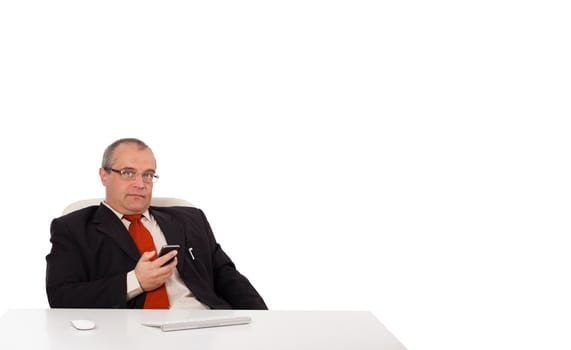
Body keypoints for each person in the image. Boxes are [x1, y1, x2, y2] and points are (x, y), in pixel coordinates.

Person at [45, 138, 267, 309]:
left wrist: (264, 322)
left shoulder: (191, 219)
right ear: (104, 175)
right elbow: (61, 296)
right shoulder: (73, 228)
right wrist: (136, 281)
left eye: (148, 175)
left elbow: (227, 277)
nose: (140, 184)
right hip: (129, 335)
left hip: (205, 326)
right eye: (128, 173)